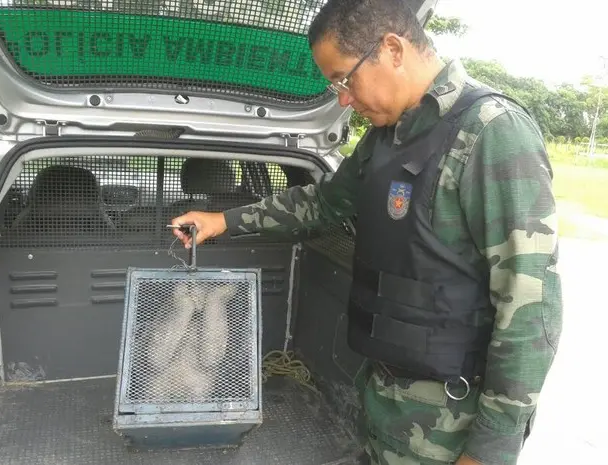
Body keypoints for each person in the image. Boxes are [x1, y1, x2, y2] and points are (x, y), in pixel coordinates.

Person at [171, 1, 563, 464]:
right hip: (383, 400)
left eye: (343, 78)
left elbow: (530, 307)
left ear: (392, 49)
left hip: (449, 427)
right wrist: (224, 221)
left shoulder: (491, 133)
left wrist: (491, 448)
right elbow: (323, 202)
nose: (342, 99)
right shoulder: (386, 137)